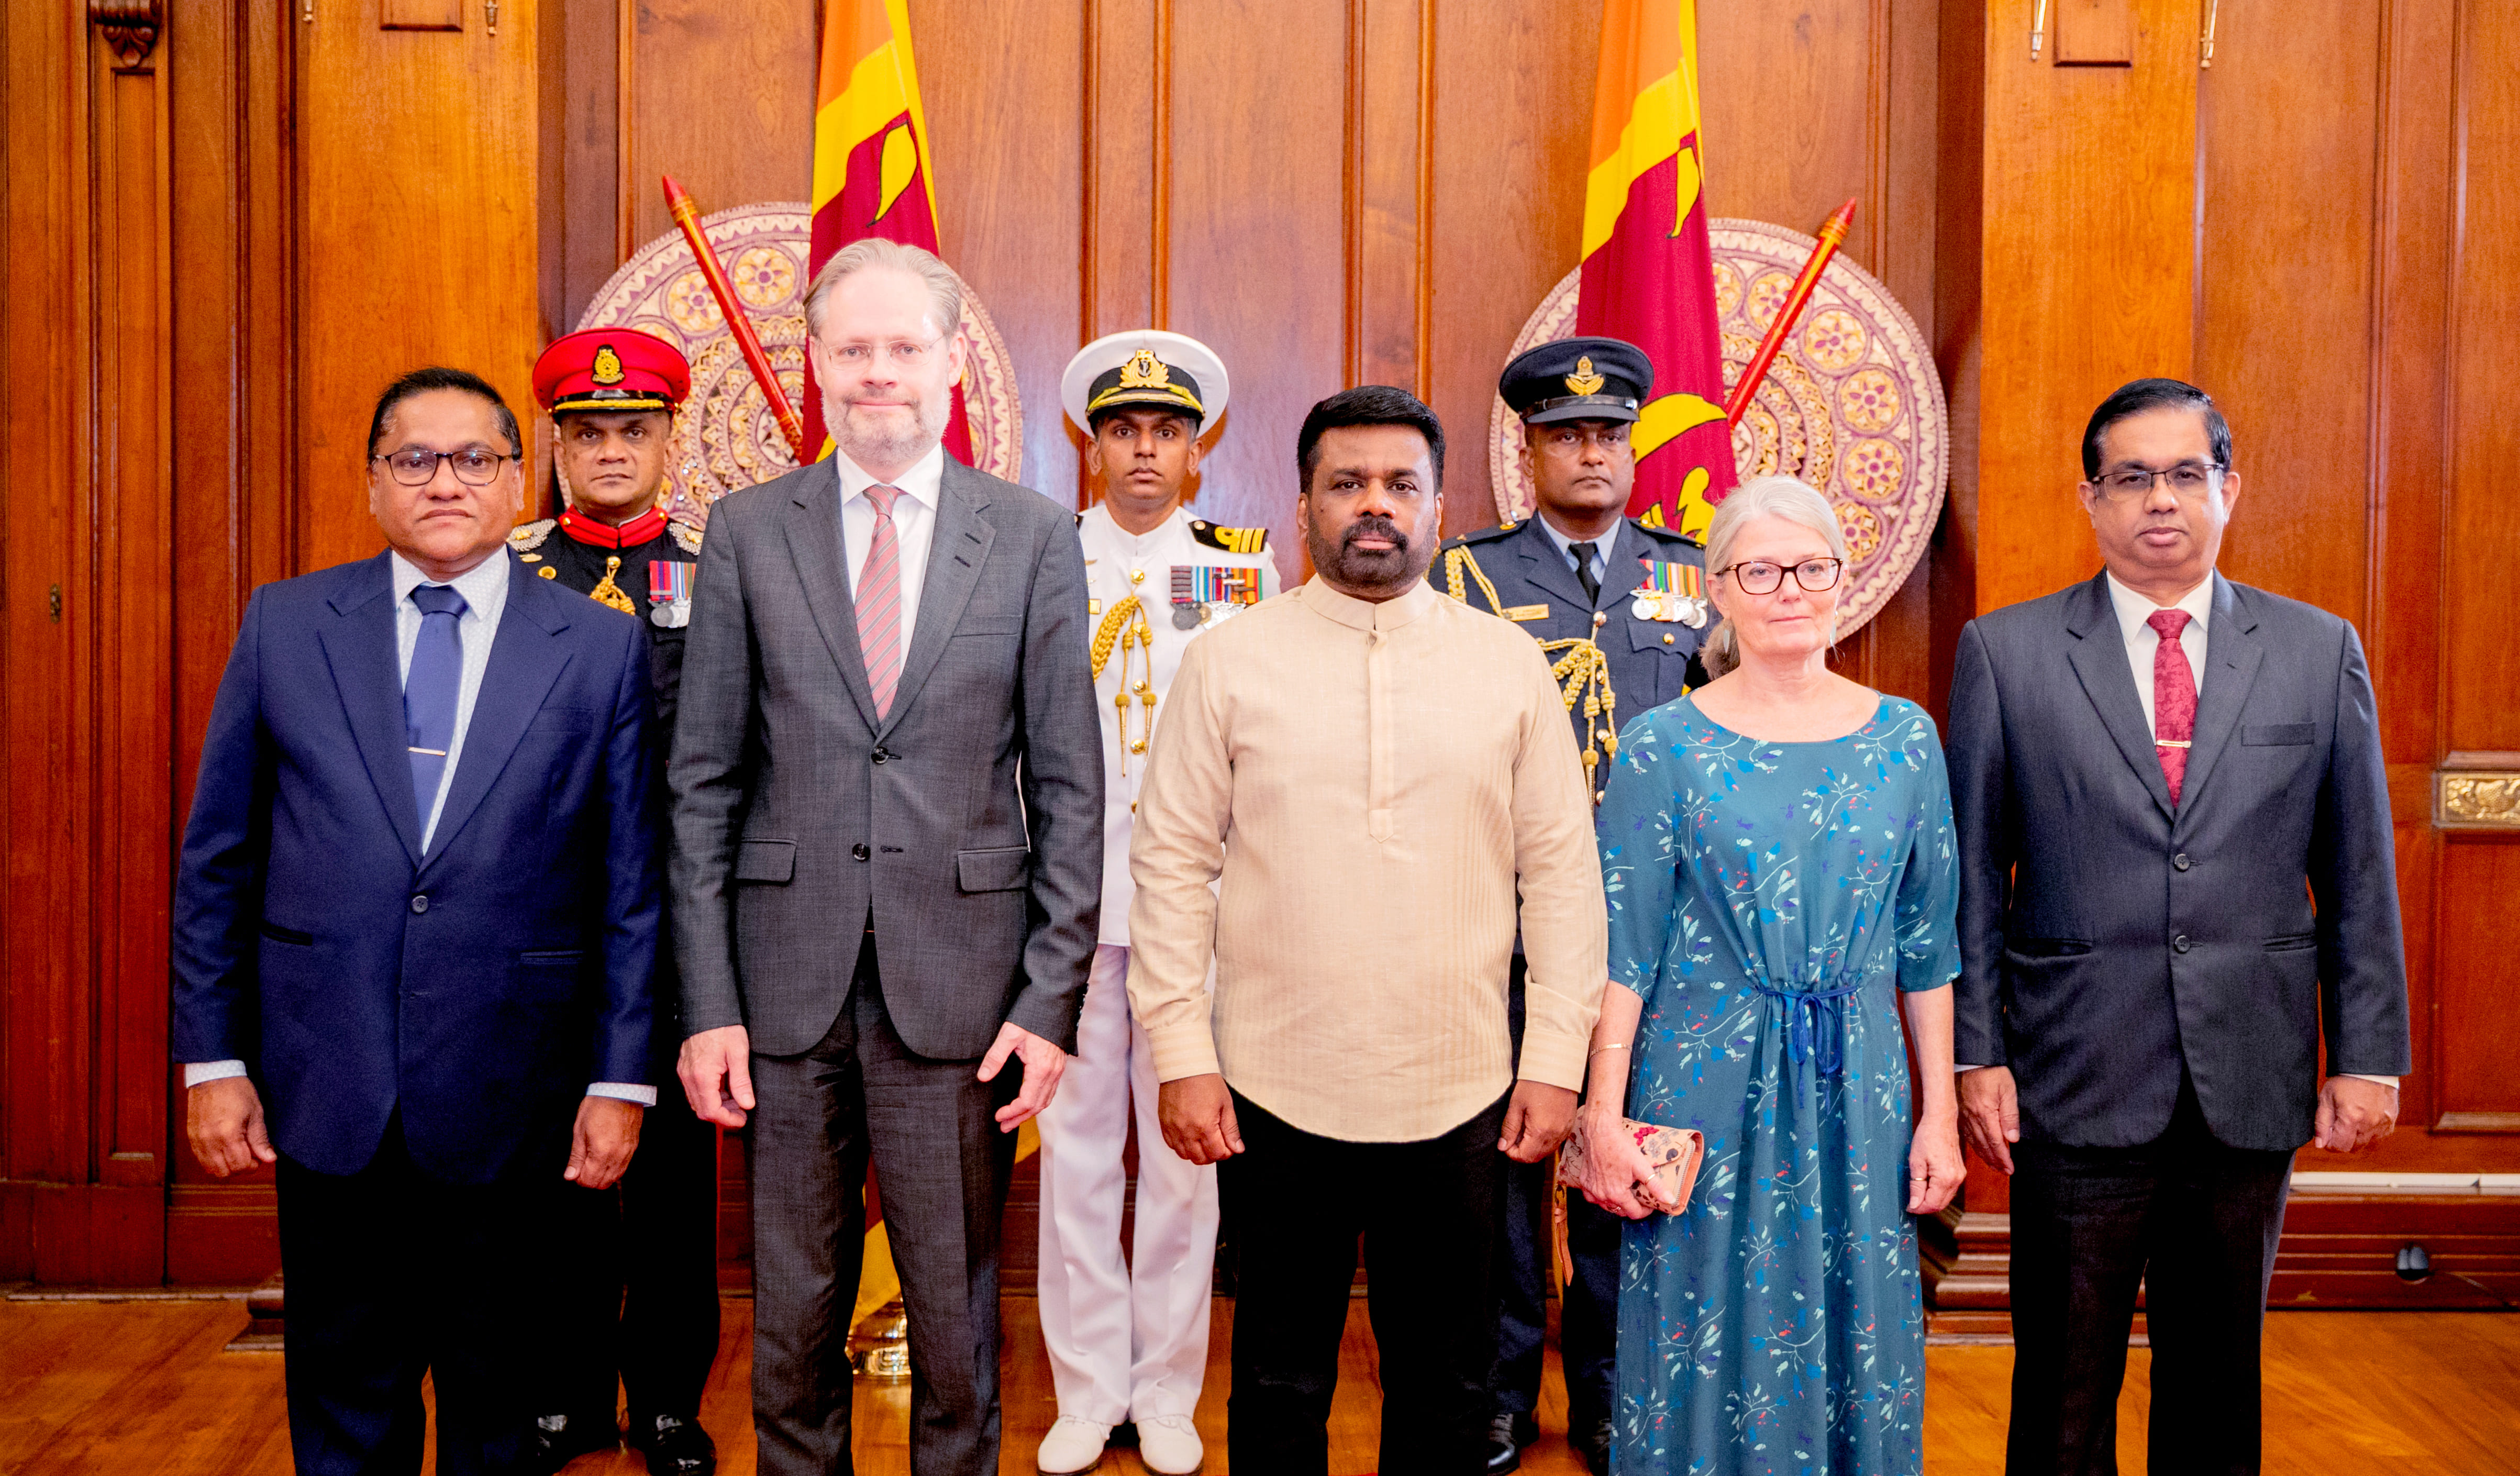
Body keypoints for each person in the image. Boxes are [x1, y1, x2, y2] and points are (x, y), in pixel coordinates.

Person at [171, 367, 661, 1476]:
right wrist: (213, 1059)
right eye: (415, 460)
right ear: (374, 483)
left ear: (513, 479)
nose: (446, 482)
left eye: (476, 459)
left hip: (515, 1086)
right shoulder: (286, 624)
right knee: (346, 1391)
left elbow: (631, 885)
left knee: (502, 1398)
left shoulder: (597, 648)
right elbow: (218, 861)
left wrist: (620, 1081)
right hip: (325, 1078)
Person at [668, 238, 1103, 1476]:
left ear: (951, 363)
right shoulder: (748, 534)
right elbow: (701, 787)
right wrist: (708, 1007)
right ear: (813, 366)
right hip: (780, 996)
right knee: (793, 1317)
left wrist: (1048, 1001)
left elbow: (1070, 791)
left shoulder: (1028, 537)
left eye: (903, 349)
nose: (878, 376)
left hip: (961, 995)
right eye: (852, 351)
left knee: (957, 1319)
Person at [1126, 385, 1607, 1476]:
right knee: (1276, 1380)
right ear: (1303, 507)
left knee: (1447, 1380)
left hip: (1464, 1089)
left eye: (1400, 485)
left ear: (1440, 507)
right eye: (1347, 485)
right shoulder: (1229, 662)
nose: (1373, 506)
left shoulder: (1506, 666)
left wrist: (1556, 1062)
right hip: (1270, 1085)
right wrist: (1182, 1054)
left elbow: (1564, 878)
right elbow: (1169, 867)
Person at [1944, 378, 2410, 1475]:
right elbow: (1966, 875)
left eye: (2186, 474)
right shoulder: (2004, 655)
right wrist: (1978, 1052)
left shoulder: (2314, 649)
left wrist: (2369, 1057)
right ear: (2090, 500)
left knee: (2216, 1380)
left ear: (2228, 489)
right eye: (2132, 478)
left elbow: (2357, 869)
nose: (2161, 500)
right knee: (2061, 1387)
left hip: (2246, 1072)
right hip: (2072, 1070)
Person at [1576, 474, 1963, 1476]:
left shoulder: (1906, 738)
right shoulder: (1662, 745)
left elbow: (1927, 948)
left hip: (1861, 1083)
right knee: (1701, 1316)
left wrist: (1938, 1115)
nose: (1788, 588)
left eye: (1810, 567)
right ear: (1719, 588)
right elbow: (1625, 950)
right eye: (1759, 569)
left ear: (1845, 579)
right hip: (1700, 1077)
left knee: (1857, 1319)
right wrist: (1601, 1115)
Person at [1436, 336, 1709, 1476]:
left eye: (1609, 433)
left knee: (1621, 1163)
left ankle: (1611, 1391)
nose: (1591, 452)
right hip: (1501, 920)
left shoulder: (1695, 577)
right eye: (1566, 434)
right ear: (1528, 447)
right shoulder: (1465, 577)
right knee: (1502, 1170)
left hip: (1653, 930)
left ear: (1633, 444)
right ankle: (1498, 1394)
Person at [1032, 330, 1278, 1476]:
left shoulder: (1241, 571)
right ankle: (1086, 1393)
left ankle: (1168, 1392)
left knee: (1185, 1164)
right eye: (1122, 430)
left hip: (1197, 916)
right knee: (1075, 1159)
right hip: (1065, 913)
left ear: (1196, 450)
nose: (1144, 450)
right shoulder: (1036, 559)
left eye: (1166, 432)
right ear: (1090, 450)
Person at [517, 328, 719, 1476]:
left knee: (673, 1196)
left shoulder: (718, 571)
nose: (608, 450)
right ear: (554, 443)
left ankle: (667, 1407)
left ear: (668, 438)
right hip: (548, 930)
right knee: (557, 1185)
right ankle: (563, 1399)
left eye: (631, 430)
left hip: (682, 937)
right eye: (586, 432)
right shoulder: (512, 570)